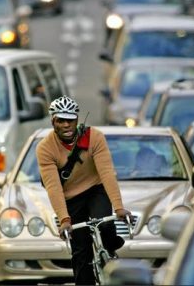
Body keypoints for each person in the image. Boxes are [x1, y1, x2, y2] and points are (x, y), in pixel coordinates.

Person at [36, 96, 132, 285]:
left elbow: (106, 173)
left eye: (70, 120)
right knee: (81, 250)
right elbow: (53, 187)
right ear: (52, 121)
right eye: (60, 120)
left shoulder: (94, 137)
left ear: (77, 120)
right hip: (71, 197)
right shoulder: (45, 148)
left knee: (104, 225)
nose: (66, 125)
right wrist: (64, 219)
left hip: (96, 189)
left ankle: (110, 246)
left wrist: (119, 207)